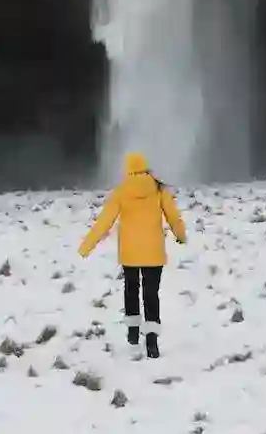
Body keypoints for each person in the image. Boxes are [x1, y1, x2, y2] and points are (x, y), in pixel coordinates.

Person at [78, 151, 187, 359]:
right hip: (154, 253)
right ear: (146, 168)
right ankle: (152, 341)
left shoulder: (121, 191)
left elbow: (104, 223)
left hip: (129, 253)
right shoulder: (159, 189)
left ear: (128, 170)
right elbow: (174, 217)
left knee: (131, 291)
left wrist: (86, 246)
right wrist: (181, 236)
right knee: (151, 294)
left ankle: (133, 334)